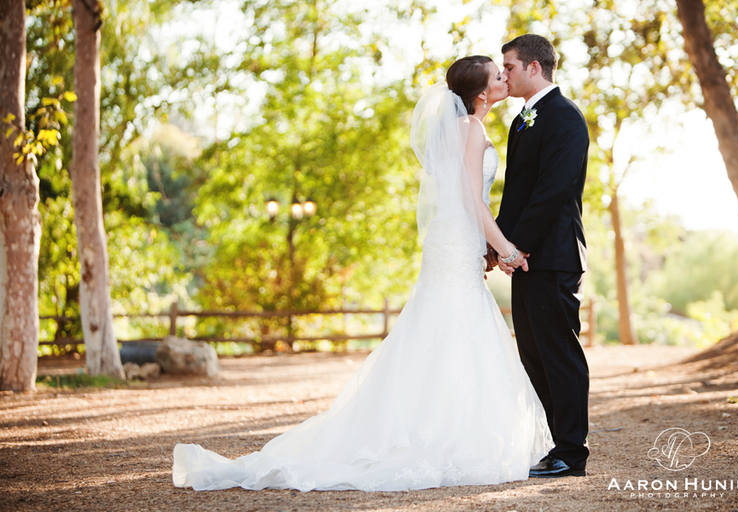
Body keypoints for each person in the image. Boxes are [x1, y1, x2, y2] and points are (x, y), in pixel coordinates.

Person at [172, 56, 553, 492]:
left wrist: (485, 245)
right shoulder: (471, 129)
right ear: (482, 94)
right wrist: (505, 248)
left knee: (443, 325)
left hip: (455, 240)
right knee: (453, 323)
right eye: (497, 74)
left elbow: (460, 197)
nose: (506, 77)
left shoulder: (457, 130)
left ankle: (430, 423)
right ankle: (446, 434)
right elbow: (470, 197)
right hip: (456, 239)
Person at [491, 34, 591, 478]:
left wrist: (520, 246)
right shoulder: (521, 121)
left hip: (553, 256)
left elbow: (554, 190)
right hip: (524, 256)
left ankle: (573, 451)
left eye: (508, 67)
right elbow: (516, 194)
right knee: (533, 353)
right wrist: (498, 246)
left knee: (559, 353)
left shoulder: (567, 118)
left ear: (534, 67)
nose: (503, 75)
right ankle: (555, 445)